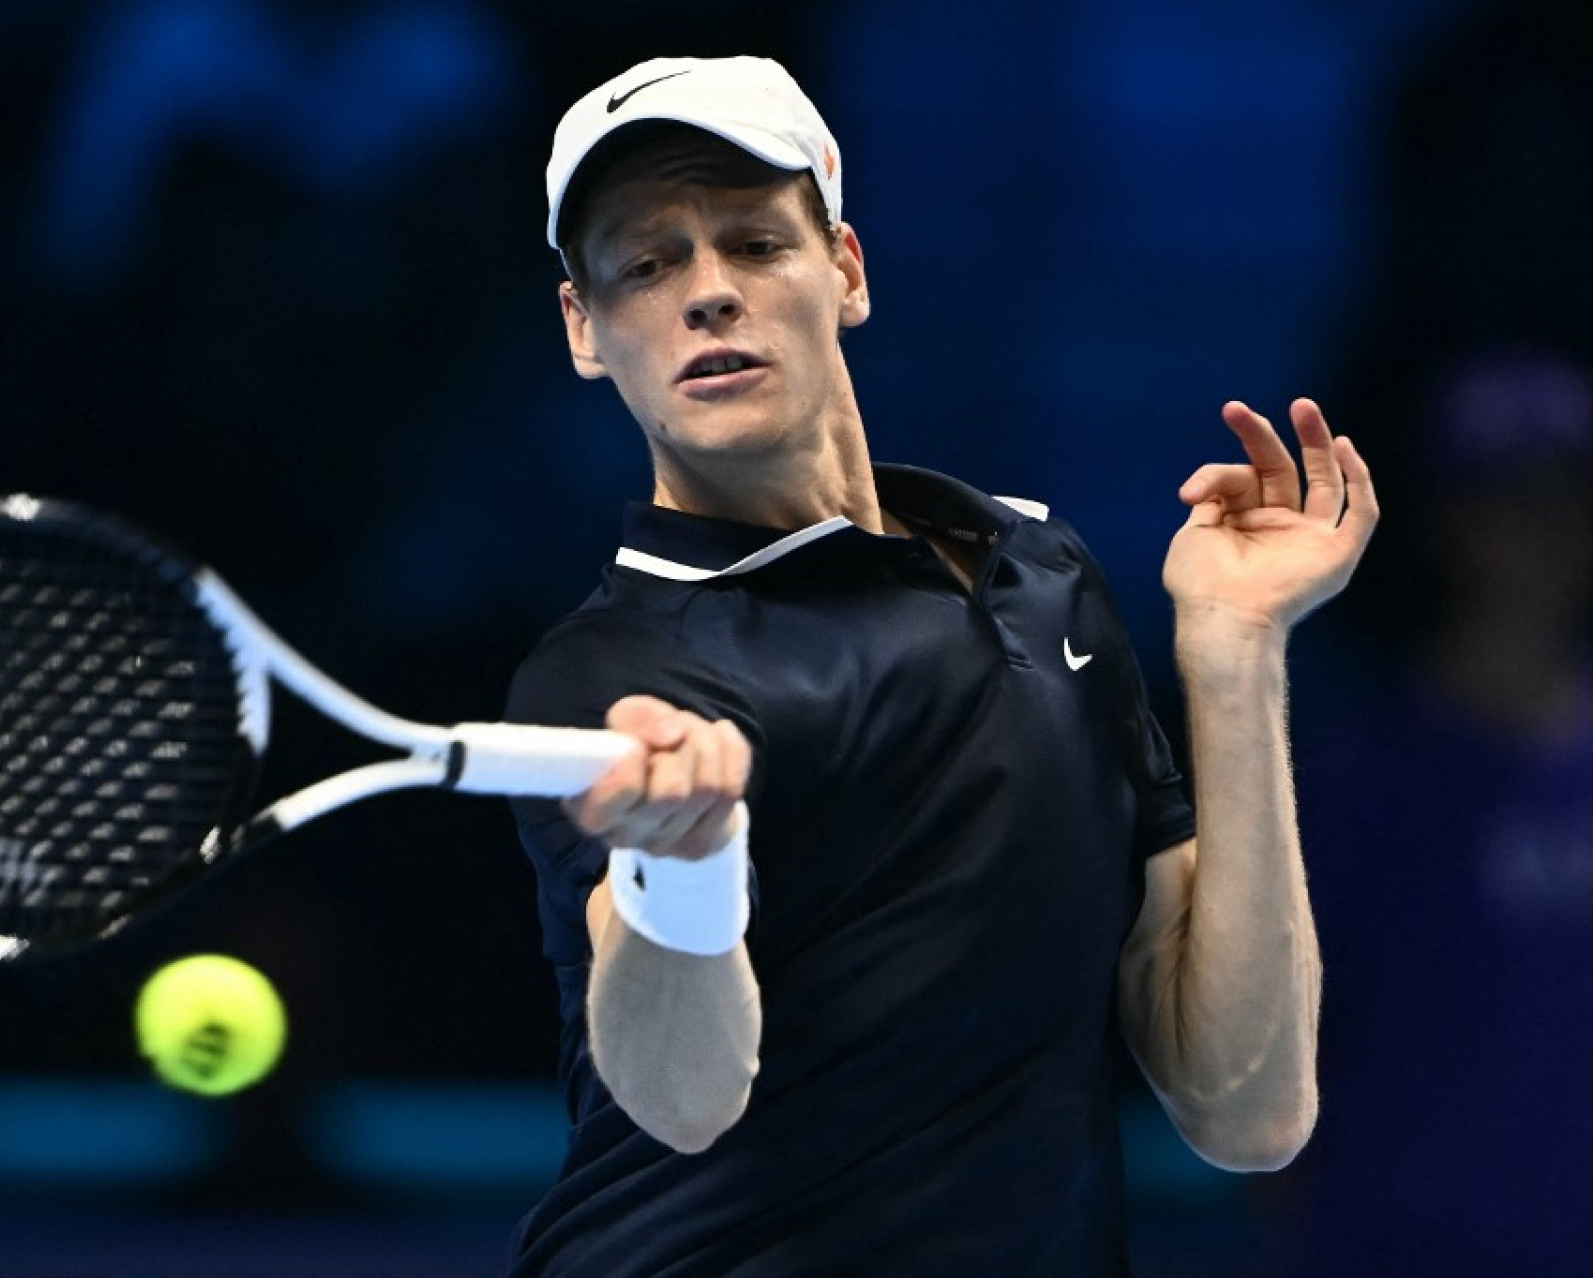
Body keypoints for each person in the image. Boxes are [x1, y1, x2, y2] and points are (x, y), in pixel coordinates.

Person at [503, 55, 1377, 1275]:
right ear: (584, 332)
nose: (706, 294)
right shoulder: (615, 679)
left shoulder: (1039, 574)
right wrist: (680, 865)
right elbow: (682, 1099)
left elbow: (1247, 1111)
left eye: (754, 243)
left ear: (846, 270)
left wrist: (1233, 656)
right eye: (644, 264)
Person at [1278, 348, 1593, 1273]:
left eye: (1567, 501)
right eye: (1512, 503)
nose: (1543, 535)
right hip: (1392, 1249)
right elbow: (1266, 1060)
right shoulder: (1355, 781)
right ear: (1450, 526)